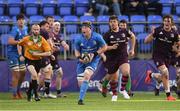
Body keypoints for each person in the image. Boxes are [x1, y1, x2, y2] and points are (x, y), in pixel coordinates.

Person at [144, 15, 179, 101]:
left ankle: (151, 74)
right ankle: (168, 96)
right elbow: (146, 41)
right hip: (158, 56)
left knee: (163, 76)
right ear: (163, 22)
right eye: (165, 21)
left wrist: (177, 50)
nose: (167, 22)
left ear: (171, 23)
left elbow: (178, 44)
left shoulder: (174, 34)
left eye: (169, 21)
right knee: (165, 72)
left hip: (168, 57)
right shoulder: (158, 30)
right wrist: (151, 34)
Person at [102, 16, 136, 101]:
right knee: (113, 77)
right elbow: (103, 47)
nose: (113, 23)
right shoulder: (107, 35)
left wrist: (132, 49)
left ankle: (122, 89)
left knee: (126, 72)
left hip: (123, 56)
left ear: (117, 22)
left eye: (114, 21)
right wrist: (111, 47)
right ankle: (111, 91)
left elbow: (133, 37)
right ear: (109, 24)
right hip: (111, 58)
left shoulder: (124, 31)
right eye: (111, 22)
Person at [75, 21, 107, 105]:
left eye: (86, 27)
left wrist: (95, 54)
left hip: (93, 61)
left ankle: (80, 100)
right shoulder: (78, 39)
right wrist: (79, 58)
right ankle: (82, 96)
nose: (83, 29)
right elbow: (76, 51)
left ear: (90, 29)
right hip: (81, 62)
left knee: (87, 74)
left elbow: (105, 47)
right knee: (80, 83)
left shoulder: (97, 37)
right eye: (82, 27)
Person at [18, 24, 52, 101]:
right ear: (32, 30)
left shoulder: (42, 39)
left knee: (34, 77)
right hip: (29, 60)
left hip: (38, 61)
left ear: (39, 30)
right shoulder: (27, 39)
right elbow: (19, 44)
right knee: (34, 75)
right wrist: (20, 55)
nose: (36, 31)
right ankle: (36, 94)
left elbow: (49, 53)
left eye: (37, 30)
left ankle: (29, 91)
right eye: (34, 29)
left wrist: (38, 54)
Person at [7, 13, 28, 99]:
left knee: (23, 73)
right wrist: (20, 42)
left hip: (21, 54)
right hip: (13, 54)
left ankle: (18, 91)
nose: (21, 21)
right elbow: (10, 41)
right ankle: (14, 94)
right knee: (16, 74)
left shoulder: (26, 29)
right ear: (17, 21)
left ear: (24, 21)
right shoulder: (14, 29)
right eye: (19, 20)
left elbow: (26, 40)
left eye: (22, 20)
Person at [51, 21, 69, 97]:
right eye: (56, 25)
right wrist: (54, 48)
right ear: (52, 26)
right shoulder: (50, 35)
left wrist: (65, 45)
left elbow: (62, 42)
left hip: (54, 59)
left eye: (59, 25)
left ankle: (58, 92)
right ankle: (36, 91)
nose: (58, 26)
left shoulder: (59, 36)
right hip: (48, 58)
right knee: (47, 75)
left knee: (59, 73)